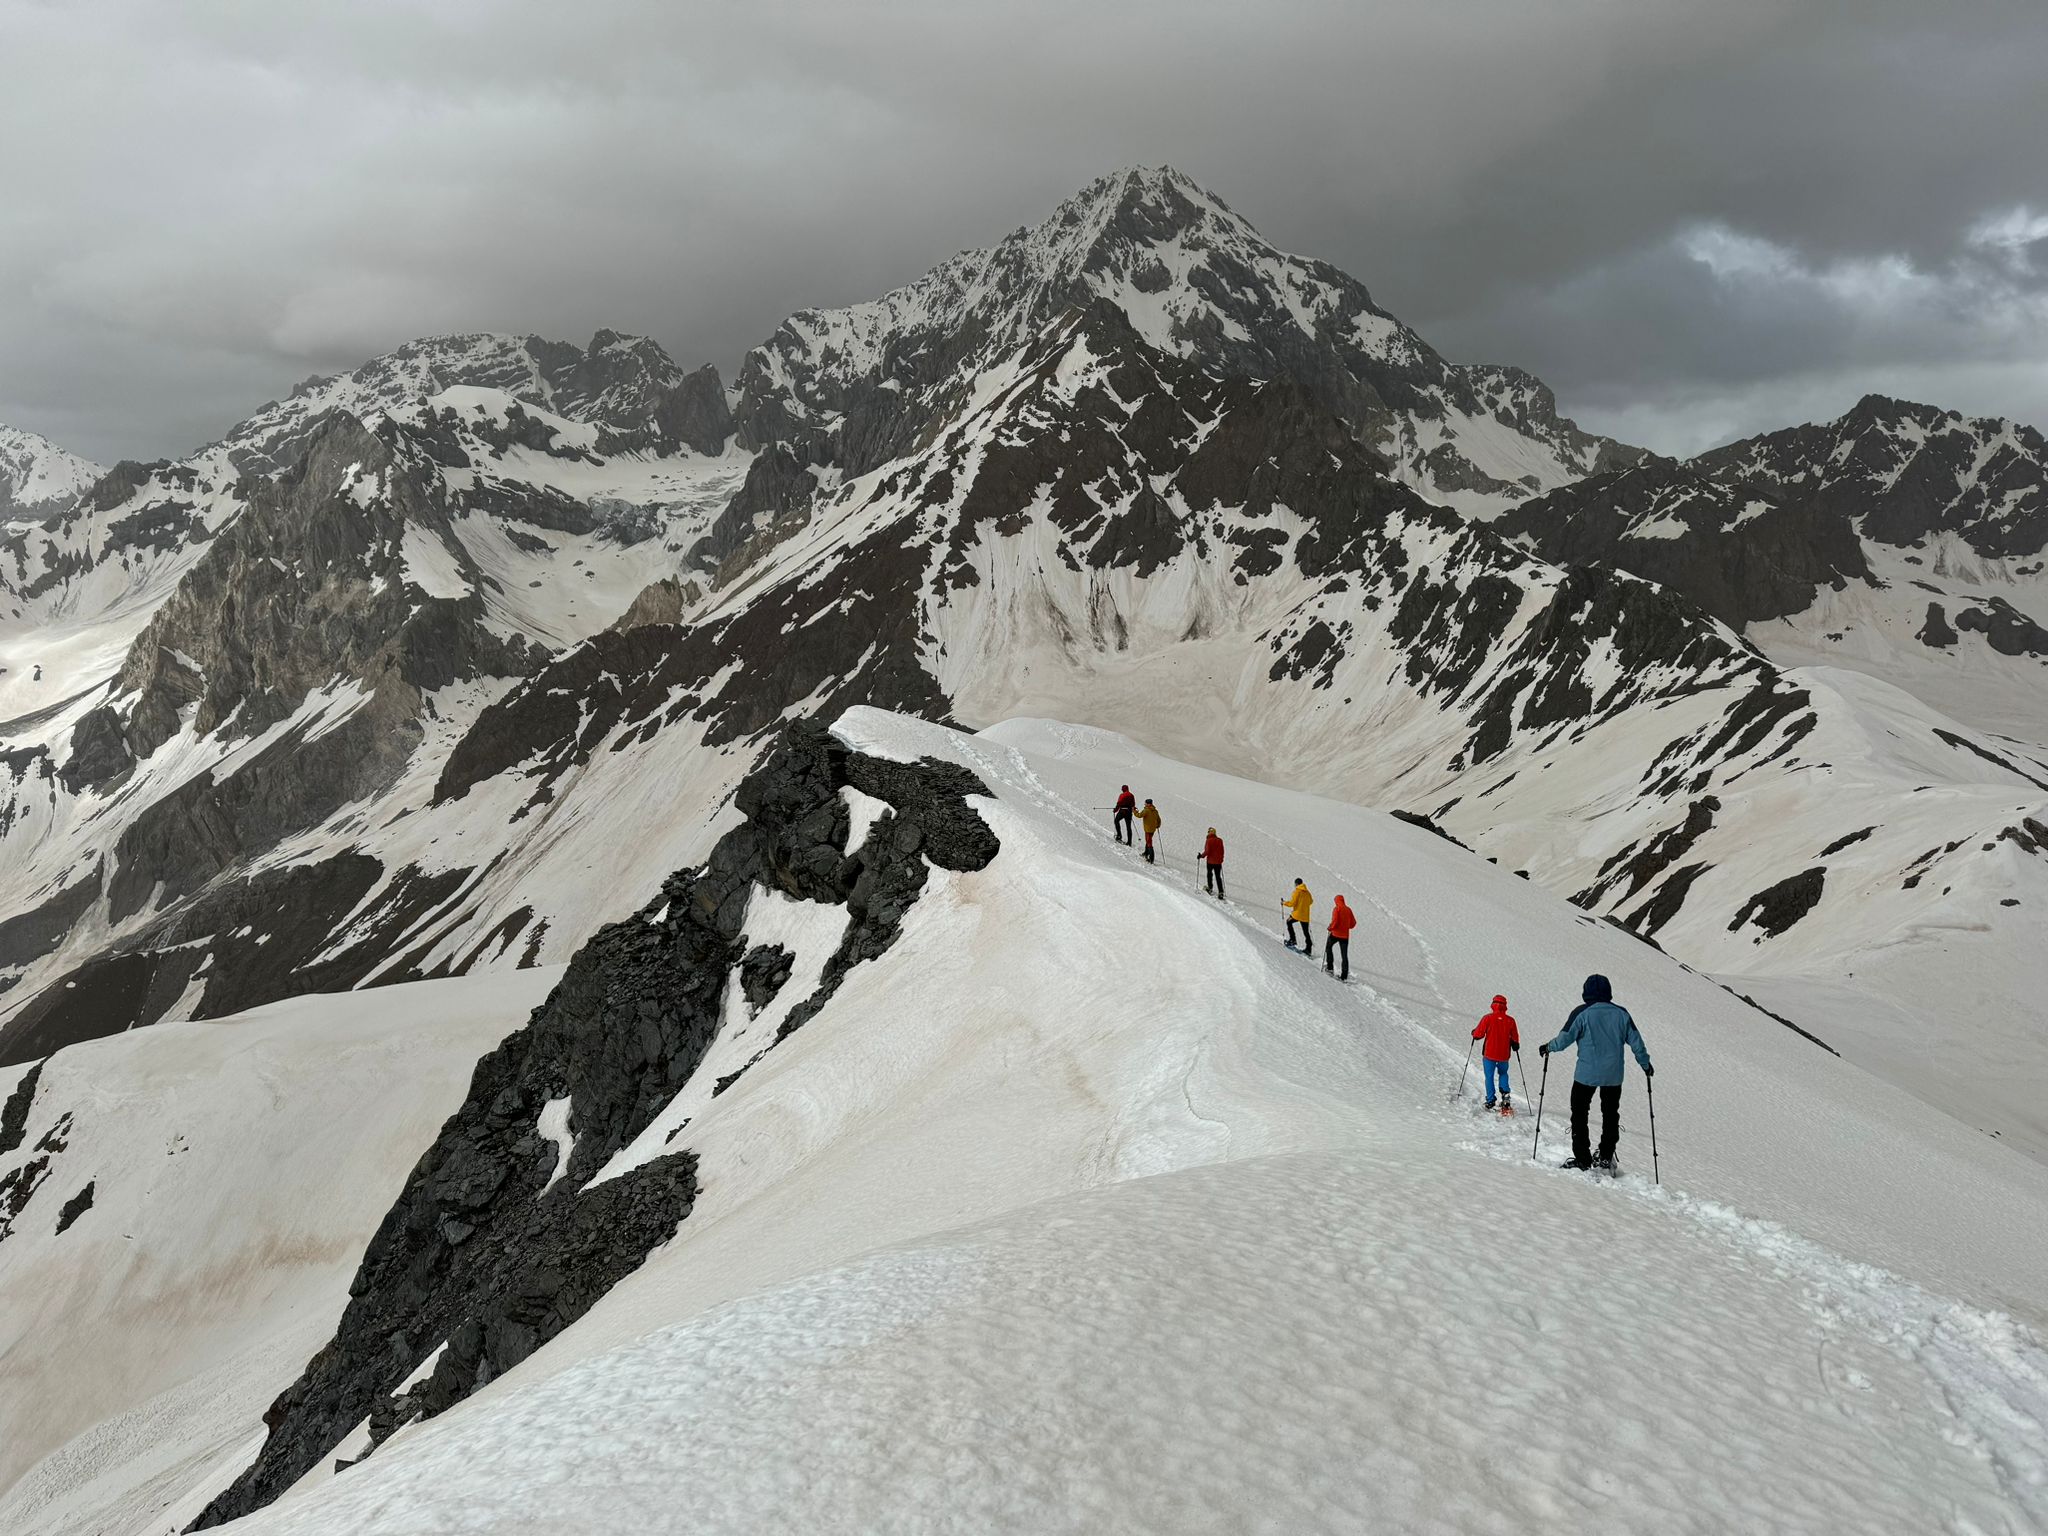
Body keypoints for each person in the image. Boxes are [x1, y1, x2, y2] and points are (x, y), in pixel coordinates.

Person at [1540, 974, 1652, 1171]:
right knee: (1610, 1115)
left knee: (1580, 1113)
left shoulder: (1582, 1012)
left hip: (1586, 1075)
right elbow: (1637, 1043)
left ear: (1586, 992)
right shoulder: (1621, 1013)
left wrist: (1548, 1047)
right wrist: (1645, 1065)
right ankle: (1606, 1157)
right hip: (1613, 1076)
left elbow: (1564, 1039)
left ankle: (1583, 1158)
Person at [1471, 995, 1519, 1110]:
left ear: (1493, 1005)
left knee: (1489, 1076)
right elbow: (1515, 1038)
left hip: (1489, 1054)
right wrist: (1515, 1045)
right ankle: (1505, 1096)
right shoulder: (1510, 1020)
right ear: (1505, 1006)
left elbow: (1479, 1034)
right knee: (1503, 1073)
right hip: (1504, 1055)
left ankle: (1491, 1100)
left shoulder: (1488, 1018)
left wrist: (1474, 1033)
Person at [1324, 895, 1356, 979]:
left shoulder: (1336, 909)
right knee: (1344, 955)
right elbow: (1353, 923)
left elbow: (1335, 921)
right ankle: (1344, 975)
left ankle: (1330, 967)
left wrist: (1330, 927)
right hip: (1345, 936)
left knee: (1328, 947)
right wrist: (1346, 926)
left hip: (1335, 934)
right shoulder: (1348, 909)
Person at [1282, 879, 1314, 956]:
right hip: (1305, 915)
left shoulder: (1297, 891)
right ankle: (1309, 949)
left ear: (1296, 884)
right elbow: (1311, 902)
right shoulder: (1308, 893)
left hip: (1297, 914)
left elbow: (1292, 903)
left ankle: (1293, 940)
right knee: (1306, 932)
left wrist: (1283, 903)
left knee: (1288, 922)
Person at [1202, 827, 1226, 898]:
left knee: (1209, 874)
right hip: (1218, 862)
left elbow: (1207, 851)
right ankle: (1221, 892)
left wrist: (1201, 856)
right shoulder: (1220, 840)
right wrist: (1221, 860)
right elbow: (1222, 851)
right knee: (1218, 877)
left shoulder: (1208, 840)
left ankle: (1210, 888)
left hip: (1210, 861)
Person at [1139, 798, 1161, 863]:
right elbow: (1158, 819)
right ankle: (1146, 853)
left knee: (1149, 843)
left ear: (1148, 804)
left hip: (1148, 829)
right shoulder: (1155, 811)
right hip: (1153, 829)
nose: (1144, 804)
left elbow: (1139, 815)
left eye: (1145, 803)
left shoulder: (1146, 810)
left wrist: (1134, 811)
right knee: (1148, 840)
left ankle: (1151, 859)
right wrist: (1158, 825)